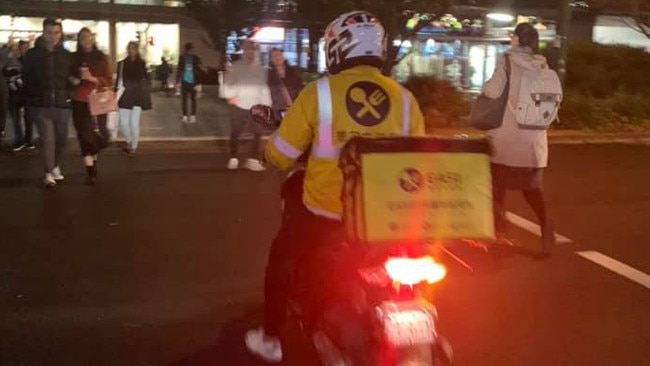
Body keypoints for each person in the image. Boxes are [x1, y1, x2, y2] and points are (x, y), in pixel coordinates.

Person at [244, 11, 425, 363]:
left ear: (340, 48)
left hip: (326, 217)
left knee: (281, 258)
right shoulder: (405, 100)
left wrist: (274, 147)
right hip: (387, 221)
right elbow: (417, 163)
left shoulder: (319, 94)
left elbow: (280, 156)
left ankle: (270, 339)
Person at [481, 22, 557, 254]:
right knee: (531, 188)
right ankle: (546, 227)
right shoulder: (542, 64)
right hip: (534, 140)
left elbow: (492, 91)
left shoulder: (505, 61)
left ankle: (500, 229)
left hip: (507, 136)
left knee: (496, 182)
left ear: (515, 39)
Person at [22, 18, 75, 188]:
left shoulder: (66, 55)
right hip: (41, 104)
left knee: (61, 139)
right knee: (48, 141)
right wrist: (31, 100)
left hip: (62, 103)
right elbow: (26, 78)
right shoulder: (32, 55)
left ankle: (54, 165)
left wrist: (71, 90)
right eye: (49, 33)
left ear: (60, 34)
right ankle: (48, 173)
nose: (53, 36)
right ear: (43, 33)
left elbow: (72, 77)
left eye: (56, 33)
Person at [69, 27, 113, 185]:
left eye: (88, 37)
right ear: (79, 41)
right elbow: (67, 76)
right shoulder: (73, 58)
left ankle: (95, 157)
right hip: (79, 99)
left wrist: (92, 78)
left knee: (101, 133)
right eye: (82, 38)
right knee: (84, 134)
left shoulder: (101, 57)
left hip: (99, 98)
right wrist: (74, 80)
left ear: (93, 38)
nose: (85, 41)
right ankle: (90, 169)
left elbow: (108, 80)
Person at [222, 40, 271, 171]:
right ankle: (233, 158)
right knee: (235, 133)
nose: (250, 53)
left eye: (253, 50)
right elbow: (227, 83)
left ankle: (253, 160)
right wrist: (228, 95)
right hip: (239, 105)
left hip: (256, 106)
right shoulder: (236, 67)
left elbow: (263, 88)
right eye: (248, 50)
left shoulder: (261, 69)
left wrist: (267, 104)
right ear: (244, 51)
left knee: (258, 133)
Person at [116, 41, 152, 156]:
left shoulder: (142, 63)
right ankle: (129, 141)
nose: (131, 50)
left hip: (137, 96)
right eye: (129, 48)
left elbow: (147, 80)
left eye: (133, 48)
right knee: (123, 123)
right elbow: (118, 80)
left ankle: (133, 146)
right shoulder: (122, 63)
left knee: (134, 123)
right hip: (125, 95)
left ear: (137, 50)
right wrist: (115, 95)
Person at [2, 41, 30, 151]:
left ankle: (25, 140)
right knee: (17, 118)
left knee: (26, 118)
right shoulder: (15, 60)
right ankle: (22, 140)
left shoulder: (25, 61)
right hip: (15, 94)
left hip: (22, 94)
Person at [177, 42, 202, 123]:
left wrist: (178, 81)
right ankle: (193, 116)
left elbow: (179, 70)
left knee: (184, 99)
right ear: (192, 49)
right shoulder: (196, 58)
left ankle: (185, 116)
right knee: (193, 99)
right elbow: (199, 70)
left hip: (185, 80)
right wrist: (199, 83)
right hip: (193, 81)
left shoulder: (182, 57)